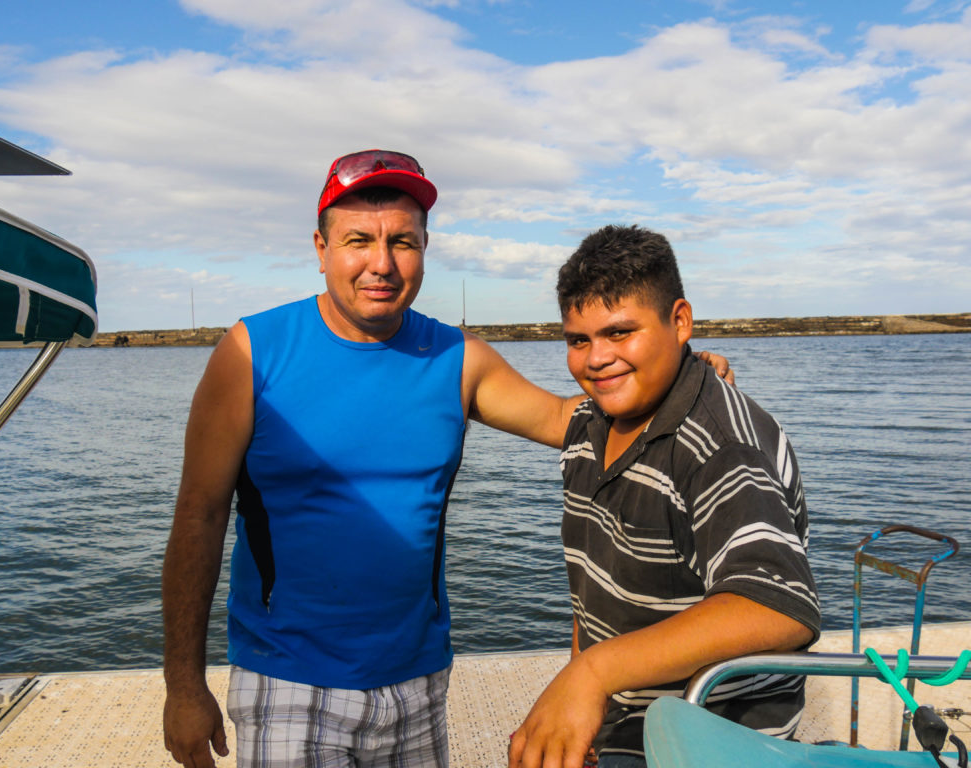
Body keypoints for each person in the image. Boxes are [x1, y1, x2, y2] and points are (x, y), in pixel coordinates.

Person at [162, 152, 732, 768]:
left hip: (418, 679)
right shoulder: (253, 352)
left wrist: (673, 377)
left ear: (425, 248)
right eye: (359, 240)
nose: (382, 263)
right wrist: (184, 686)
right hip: (287, 678)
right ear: (321, 247)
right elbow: (199, 516)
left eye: (402, 242)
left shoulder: (456, 357)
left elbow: (569, 421)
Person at [508, 225, 821, 768]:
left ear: (680, 322)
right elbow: (596, 590)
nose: (596, 359)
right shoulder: (588, 425)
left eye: (620, 333)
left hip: (709, 732)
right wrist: (587, 693)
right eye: (578, 340)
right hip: (625, 717)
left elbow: (777, 605)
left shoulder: (718, 443)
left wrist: (594, 672)